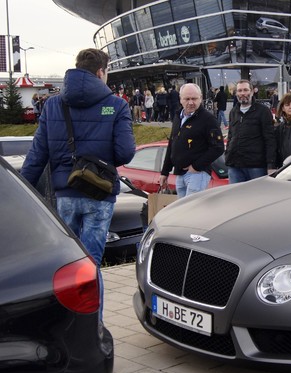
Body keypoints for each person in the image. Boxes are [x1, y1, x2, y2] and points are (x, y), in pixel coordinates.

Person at [20, 48, 135, 318]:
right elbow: (125, 153)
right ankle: (92, 326)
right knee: (90, 264)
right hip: (100, 195)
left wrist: (22, 191)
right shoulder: (116, 105)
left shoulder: (52, 104)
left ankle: (64, 323)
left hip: (65, 194)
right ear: (100, 72)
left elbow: (38, 155)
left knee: (65, 263)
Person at [159, 83, 225, 197]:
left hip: (197, 174)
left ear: (201, 98)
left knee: (192, 211)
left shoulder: (208, 119)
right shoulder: (178, 116)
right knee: (184, 211)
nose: (191, 102)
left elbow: (218, 147)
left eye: (194, 98)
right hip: (180, 174)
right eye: (187, 99)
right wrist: (165, 172)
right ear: (180, 100)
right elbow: (172, 144)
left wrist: (196, 166)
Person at [225, 80, 277, 183]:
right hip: (235, 166)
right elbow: (231, 135)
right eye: (239, 90)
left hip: (256, 167)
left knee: (257, 198)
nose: (242, 93)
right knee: (235, 198)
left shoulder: (263, 111)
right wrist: (228, 155)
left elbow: (270, 139)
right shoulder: (233, 112)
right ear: (236, 93)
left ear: (252, 92)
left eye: (245, 90)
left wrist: (271, 164)